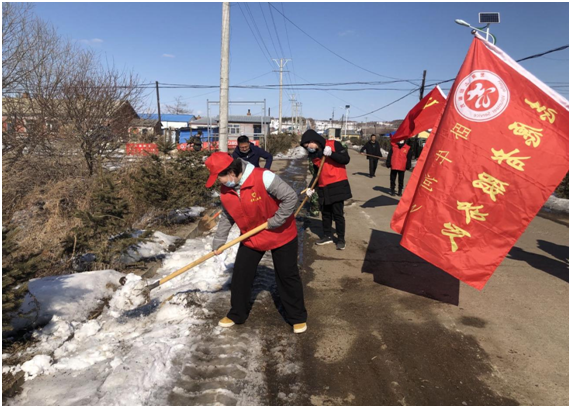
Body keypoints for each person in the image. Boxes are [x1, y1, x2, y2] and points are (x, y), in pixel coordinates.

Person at [205, 152, 307, 334]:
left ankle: (297, 316)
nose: (220, 182)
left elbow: (290, 197)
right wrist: (219, 240)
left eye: (220, 177)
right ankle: (237, 314)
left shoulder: (263, 177)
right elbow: (228, 215)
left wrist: (276, 220)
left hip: (280, 232)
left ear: (232, 171)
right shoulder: (226, 190)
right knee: (241, 275)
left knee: (286, 275)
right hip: (251, 236)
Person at [300, 129, 352, 250]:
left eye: (308, 145)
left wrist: (332, 154)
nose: (308, 148)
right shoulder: (314, 155)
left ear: (314, 140)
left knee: (338, 214)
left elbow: (345, 159)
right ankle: (327, 235)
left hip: (337, 184)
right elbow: (317, 174)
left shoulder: (333, 145)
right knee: (326, 213)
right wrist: (311, 187)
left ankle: (341, 239)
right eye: (306, 147)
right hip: (324, 186)